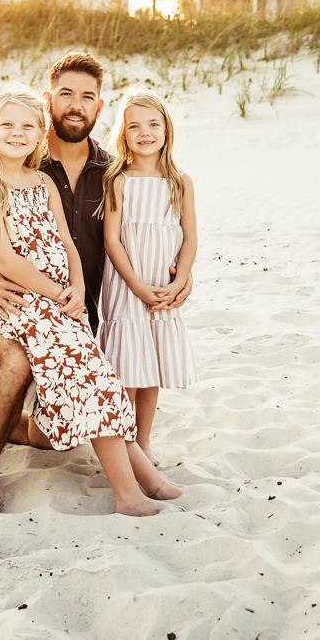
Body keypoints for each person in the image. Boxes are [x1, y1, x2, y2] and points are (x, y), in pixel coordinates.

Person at [0, 53, 193, 496]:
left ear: (100, 108)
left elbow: (154, 232)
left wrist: (183, 273)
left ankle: (7, 425)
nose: (76, 105)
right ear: (49, 104)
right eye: (65, 95)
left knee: (53, 438)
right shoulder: (25, 164)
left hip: (79, 311)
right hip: (16, 305)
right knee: (25, 365)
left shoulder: (114, 173)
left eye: (87, 97)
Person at [99, 90, 198, 464]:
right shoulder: (117, 180)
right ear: (123, 134)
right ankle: (123, 442)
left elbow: (190, 238)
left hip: (162, 283)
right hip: (128, 283)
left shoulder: (180, 181)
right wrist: (137, 286)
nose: (145, 133)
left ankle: (143, 441)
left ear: (166, 129)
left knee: (151, 364)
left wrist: (179, 280)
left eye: (153, 124)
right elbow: (111, 240)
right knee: (127, 362)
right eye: (134, 126)